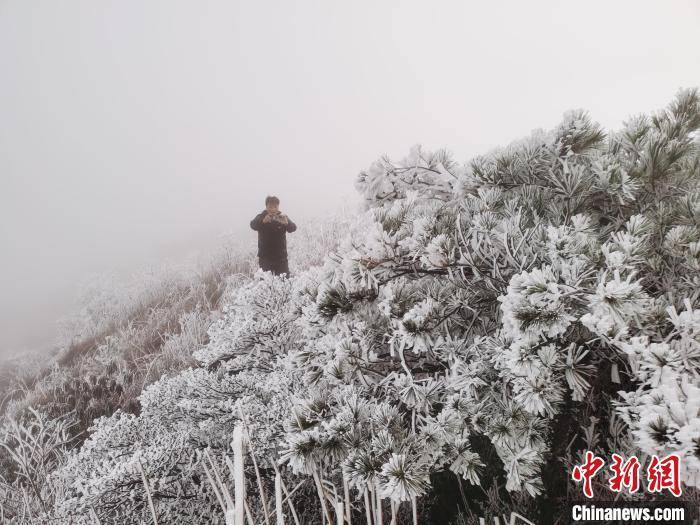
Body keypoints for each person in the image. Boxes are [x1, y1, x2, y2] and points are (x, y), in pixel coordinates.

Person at [249, 196, 297, 276]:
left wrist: (287, 223)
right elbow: (253, 225)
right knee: (265, 284)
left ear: (278, 206)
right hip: (265, 258)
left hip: (281, 258)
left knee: (284, 283)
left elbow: (293, 228)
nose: (273, 209)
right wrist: (263, 222)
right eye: (270, 207)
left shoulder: (282, 217)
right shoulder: (261, 216)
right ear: (266, 206)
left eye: (275, 206)